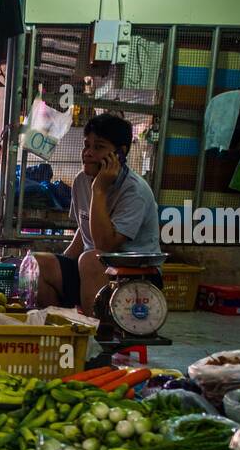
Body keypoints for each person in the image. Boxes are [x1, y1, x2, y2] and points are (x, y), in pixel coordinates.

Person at [33, 113, 162, 313]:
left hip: (135, 276)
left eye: (99, 147)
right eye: (87, 145)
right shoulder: (81, 181)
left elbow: (105, 247)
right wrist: (62, 262)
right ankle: (64, 327)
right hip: (92, 270)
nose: (88, 153)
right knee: (39, 263)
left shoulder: (135, 191)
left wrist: (99, 190)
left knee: (91, 259)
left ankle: (93, 331)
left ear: (120, 153)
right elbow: (83, 231)